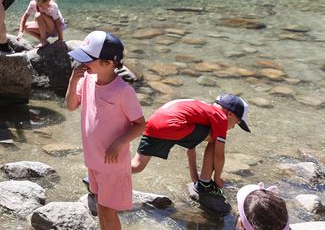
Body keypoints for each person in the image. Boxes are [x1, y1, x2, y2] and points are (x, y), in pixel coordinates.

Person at [66, 31, 145, 230]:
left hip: (112, 162)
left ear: (108, 63)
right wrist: (72, 81)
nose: (83, 64)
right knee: (101, 205)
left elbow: (140, 124)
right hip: (94, 159)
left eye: (89, 60)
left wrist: (119, 143)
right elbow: (71, 105)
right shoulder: (87, 80)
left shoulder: (123, 91)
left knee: (108, 209)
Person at [130, 94, 252, 211]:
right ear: (229, 114)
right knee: (215, 139)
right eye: (237, 123)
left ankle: (111, 167)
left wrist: (194, 179)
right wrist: (217, 178)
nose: (234, 127)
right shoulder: (220, 117)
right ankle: (205, 184)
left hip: (154, 122)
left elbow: (190, 149)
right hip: (174, 125)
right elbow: (219, 155)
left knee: (137, 166)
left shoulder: (200, 110)